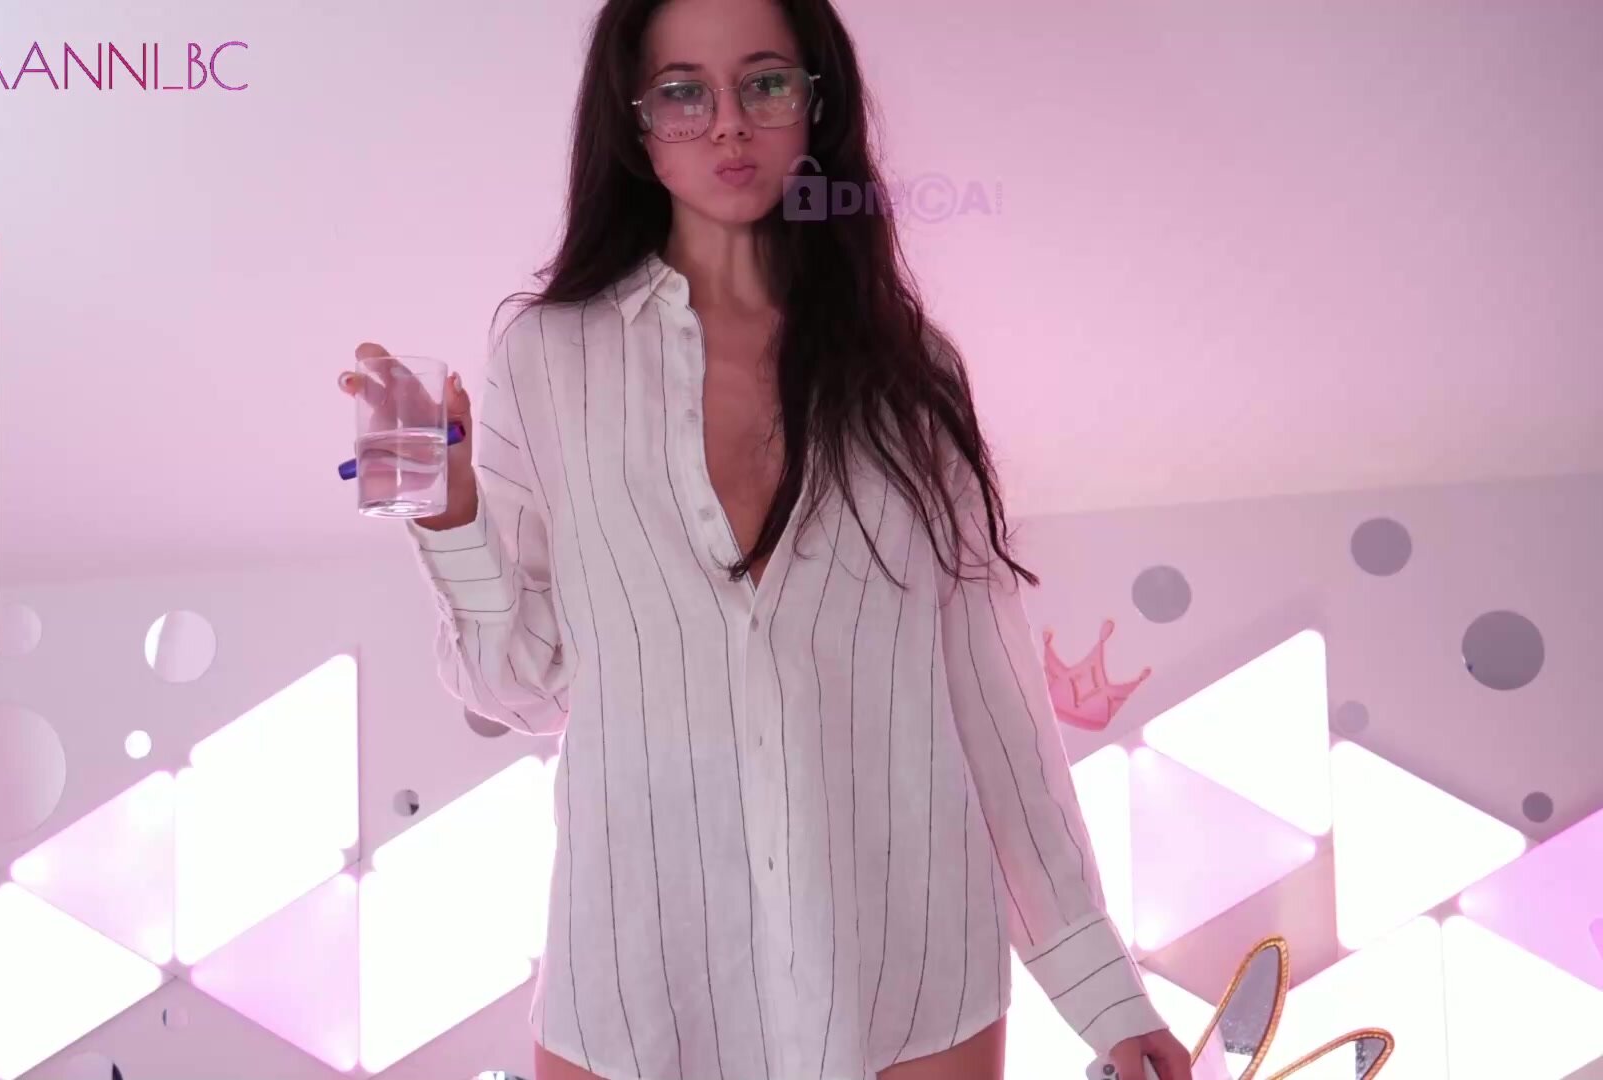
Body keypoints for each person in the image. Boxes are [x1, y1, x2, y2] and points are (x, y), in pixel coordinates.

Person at [340, 1, 1190, 1078]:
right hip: (639, 993)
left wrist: (1101, 989)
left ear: (815, 103)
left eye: (766, 83)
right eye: (684, 93)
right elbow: (523, 685)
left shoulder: (912, 375)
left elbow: (994, 705)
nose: (729, 123)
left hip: (910, 985)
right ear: (635, 122)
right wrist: (452, 515)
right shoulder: (548, 359)